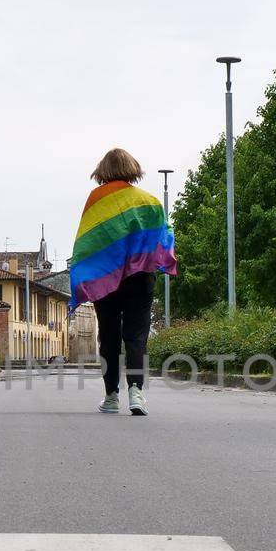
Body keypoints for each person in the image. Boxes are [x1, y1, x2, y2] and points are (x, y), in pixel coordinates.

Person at [69, 148, 177, 416]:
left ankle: (111, 396)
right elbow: (163, 235)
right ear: (132, 169)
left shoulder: (96, 200)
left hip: (107, 279)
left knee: (108, 335)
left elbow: (89, 241)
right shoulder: (149, 201)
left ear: (102, 171)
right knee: (136, 334)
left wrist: (83, 275)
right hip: (140, 277)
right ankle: (136, 392)